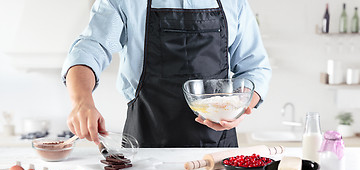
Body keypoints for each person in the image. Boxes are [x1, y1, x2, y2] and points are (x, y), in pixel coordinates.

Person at [61, 0, 271, 148]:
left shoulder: (233, 2)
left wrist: (239, 108)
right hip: (144, 148)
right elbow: (90, 49)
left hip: (217, 151)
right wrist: (82, 102)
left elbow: (255, 68)